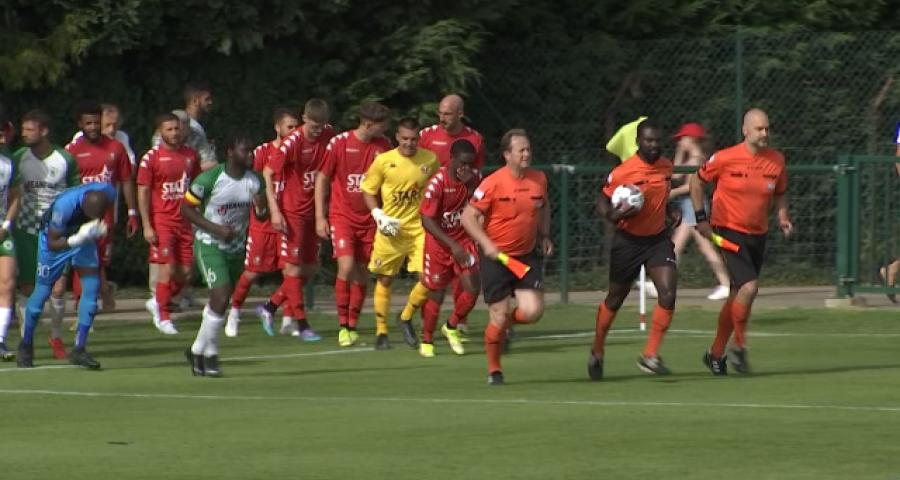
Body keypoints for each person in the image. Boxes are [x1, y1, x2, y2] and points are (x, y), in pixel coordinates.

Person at [691, 108, 793, 375]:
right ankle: (739, 347)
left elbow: (781, 192)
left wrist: (783, 215)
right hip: (727, 230)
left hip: (758, 233)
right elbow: (696, 182)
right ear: (745, 131)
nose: (765, 133)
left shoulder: (776, 161)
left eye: (767, 128)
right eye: (759, 129)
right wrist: (701, 218)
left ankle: (715, 354)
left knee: (739, 294)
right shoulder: (725, 158)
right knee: (749, 287)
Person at [588, 120, 680, 380]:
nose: (653, 145)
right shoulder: (622, 172)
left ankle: (650, 355)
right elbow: (602, 200)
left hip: (657, 240)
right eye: (648, 141)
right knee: (615, 298)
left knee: (668, 292)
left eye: (657, 140)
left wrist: (670, 211)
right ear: (639, 142)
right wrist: (613, 215)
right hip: (627, 242)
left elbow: (663, 193)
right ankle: (597, 349)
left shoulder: (666, 165)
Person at [461, 129, 552, 385]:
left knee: (533, 312)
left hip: (525, 256)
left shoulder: (539, 179)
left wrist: (545, 236)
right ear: (507, 155)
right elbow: (468, 217)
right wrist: (487, 245)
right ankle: (494, 370)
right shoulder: (492, 182)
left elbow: (544, 207)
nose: (526, 153)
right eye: (521, 150)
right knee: (497, 317)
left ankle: (507, 326)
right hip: (497, 258)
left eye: (528, 149)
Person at [398, 94, 487, 335]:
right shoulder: (427, 135)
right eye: (440, 113)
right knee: (431, 281)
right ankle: (410, 317)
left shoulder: (474, 139)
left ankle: (455, 324)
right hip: (426, 212)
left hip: (456, 217)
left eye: (447, 114)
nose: (442, 118)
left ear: (460, 113)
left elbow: (476, 181)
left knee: (463, 276)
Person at [182, 135, 266, 377]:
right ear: (230, 151)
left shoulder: (254, 180)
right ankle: (211, 355)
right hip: (209, 243)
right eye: (245, 150)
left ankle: (197, 350)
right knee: (220, 294)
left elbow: (261, 215)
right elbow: (186, 208)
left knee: (221, 300)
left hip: (235, 247)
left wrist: (261, 211)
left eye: (252, 151)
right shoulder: (209, 179)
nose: (250, 155)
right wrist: (215, 229)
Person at [253, 99, 334, 340]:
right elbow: (267, 173)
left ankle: (269, 306)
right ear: (305, 119)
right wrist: (275, 211)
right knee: (292, 268)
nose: (318, 130)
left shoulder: (328, 134)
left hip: (312, 211)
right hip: (292, 212)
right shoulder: (293, 143)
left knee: (310, 268)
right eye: (314, 125)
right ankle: (302, 324)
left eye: (322, 125)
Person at [315, 101, 392, 347]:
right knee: (346, 266)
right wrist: (320, 216)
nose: (385, 130)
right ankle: (343, 326)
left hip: (371, 219)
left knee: (363, 272)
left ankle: (353, 323)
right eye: (381, 126)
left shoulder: (384, 146)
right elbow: (322, 179)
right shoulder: (339, 143)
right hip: (342, 216)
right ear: (368, 124)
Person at [16, 183, 116, 369]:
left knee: (91, 287)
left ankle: (79, 348)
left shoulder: (108, 192)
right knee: (43, 289)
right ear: (83, 208)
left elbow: (108, 214)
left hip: (85, 235)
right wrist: (76, 239)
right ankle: (26, 344)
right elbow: (54, 242)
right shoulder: (64, 207)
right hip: (57, 239)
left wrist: (102, 231)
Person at [362, 117, 439, 350]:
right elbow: (368, 190)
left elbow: (437, 189)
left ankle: (405, 317)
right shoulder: (384, 161)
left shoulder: (430, 160)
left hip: (419, 229)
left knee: (428, 279)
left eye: (413, 139)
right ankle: (381, 332)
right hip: (391, 230)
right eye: (405, 138)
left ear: (419, 139)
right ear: (397, 137)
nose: (409, 143)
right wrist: (378, 215)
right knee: (385, 279)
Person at [12, 110, 81, 360]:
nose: (24, 133)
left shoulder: (65, 159)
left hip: (56, 231)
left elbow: (75, 194)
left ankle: (56, 336)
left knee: (58, 289)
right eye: (23, 129)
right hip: (26, 231)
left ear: (44, 131)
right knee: (28, 288)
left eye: (29, 129)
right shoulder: (19, 157)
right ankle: (25, 339)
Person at [227, 108, 300, 337]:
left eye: (296, 127)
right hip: (264, 223)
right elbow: (250, 181)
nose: (294, 131)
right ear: (277, 128)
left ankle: (289, 318)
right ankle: (234, 313)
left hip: (290, 221)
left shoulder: (300, 153)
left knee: (292, 271)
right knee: (252, 272)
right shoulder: (262, 152)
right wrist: (260, 208)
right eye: (290, 127)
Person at [65, 101, 139, 312]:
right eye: (88, 123)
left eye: (97, 123)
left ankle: (103, 291)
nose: (94, 127)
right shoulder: (72, 150)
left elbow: (126, 179)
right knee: (83, 257)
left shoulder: (116, 147)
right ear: (80, 124)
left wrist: (132, 212)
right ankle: (84, 303)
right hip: (79, 214)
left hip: (106, 215)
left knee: (99, 260)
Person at [137, 112, 201, 335]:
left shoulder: (191, 156)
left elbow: (196, 188)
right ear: (160, 132)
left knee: (185, 273)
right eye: (169, 129)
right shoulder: (151, 158)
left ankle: (158, 300)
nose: (174, 133)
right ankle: (163, 317)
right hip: (162, 222)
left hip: (184, 222)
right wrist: (147, 224)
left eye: (177, 128)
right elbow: (143, 191)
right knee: (167, 269)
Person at [417, 139, 481, 357]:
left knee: (472, 288)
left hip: (464, 241)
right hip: (439, 245)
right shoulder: (437, 183)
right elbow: (426, 220)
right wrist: (452, 245)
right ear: (451, 159)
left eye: (471, 164)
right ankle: (427, 339)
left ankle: (451, 326)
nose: (467, 168)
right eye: (463, 163)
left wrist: (471, 186)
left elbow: (482, 206)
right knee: (436, 292)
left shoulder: (475, 179)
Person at [668, 122, 730, 300]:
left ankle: (726, 283)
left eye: (683, 139)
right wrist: (680, 152)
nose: (680, 142)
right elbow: (675, 175)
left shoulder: (697, 160)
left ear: (692, 139)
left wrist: (672, 193)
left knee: (684, 246)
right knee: (687, 246)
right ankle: (725, 283)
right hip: (690, 205)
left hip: (694, 205)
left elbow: (691, 187)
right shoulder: (691, 158)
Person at [0, 143, 20, 359]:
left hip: (2, 233)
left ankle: (1, 340)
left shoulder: (8, 161)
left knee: (7, 284)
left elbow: (15, 196)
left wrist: (6, 226)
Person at [183, 81, 218, 171]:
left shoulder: (195, 125)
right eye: (207, 99)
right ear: (195, 101)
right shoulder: (190, 127)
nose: (211, 102)